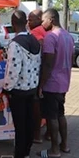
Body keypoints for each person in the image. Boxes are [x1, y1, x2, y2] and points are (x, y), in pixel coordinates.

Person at [1, 10, 41, 158]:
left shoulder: (15, 44)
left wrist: (7, 88)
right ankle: (26, 152)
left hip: (18, 91)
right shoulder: (35, 41)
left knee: (20, 125)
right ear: (26, 22)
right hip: (32, 88)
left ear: (12, 23)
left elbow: (13, 70)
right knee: (29, 121)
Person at [37, 8, 74, 158]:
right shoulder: (68, 36)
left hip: (52, 83)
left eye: (43, 20)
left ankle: (54, 150)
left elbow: (47, 63)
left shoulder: (50, 37)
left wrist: (41, 85)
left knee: (52, 116)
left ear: (51, 20)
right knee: (60, 114)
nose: (41, 23)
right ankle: (64, 145)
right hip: (64, 82)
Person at [27, 9, 49, 143]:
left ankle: (36, 135)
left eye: (31, 19)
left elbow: (39, 50)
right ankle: (49, 133)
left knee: (36, 105)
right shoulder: (48, 31)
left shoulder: (36, 32)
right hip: (50, 73)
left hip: (37, 74)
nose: (28, 22)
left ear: (39, 19)